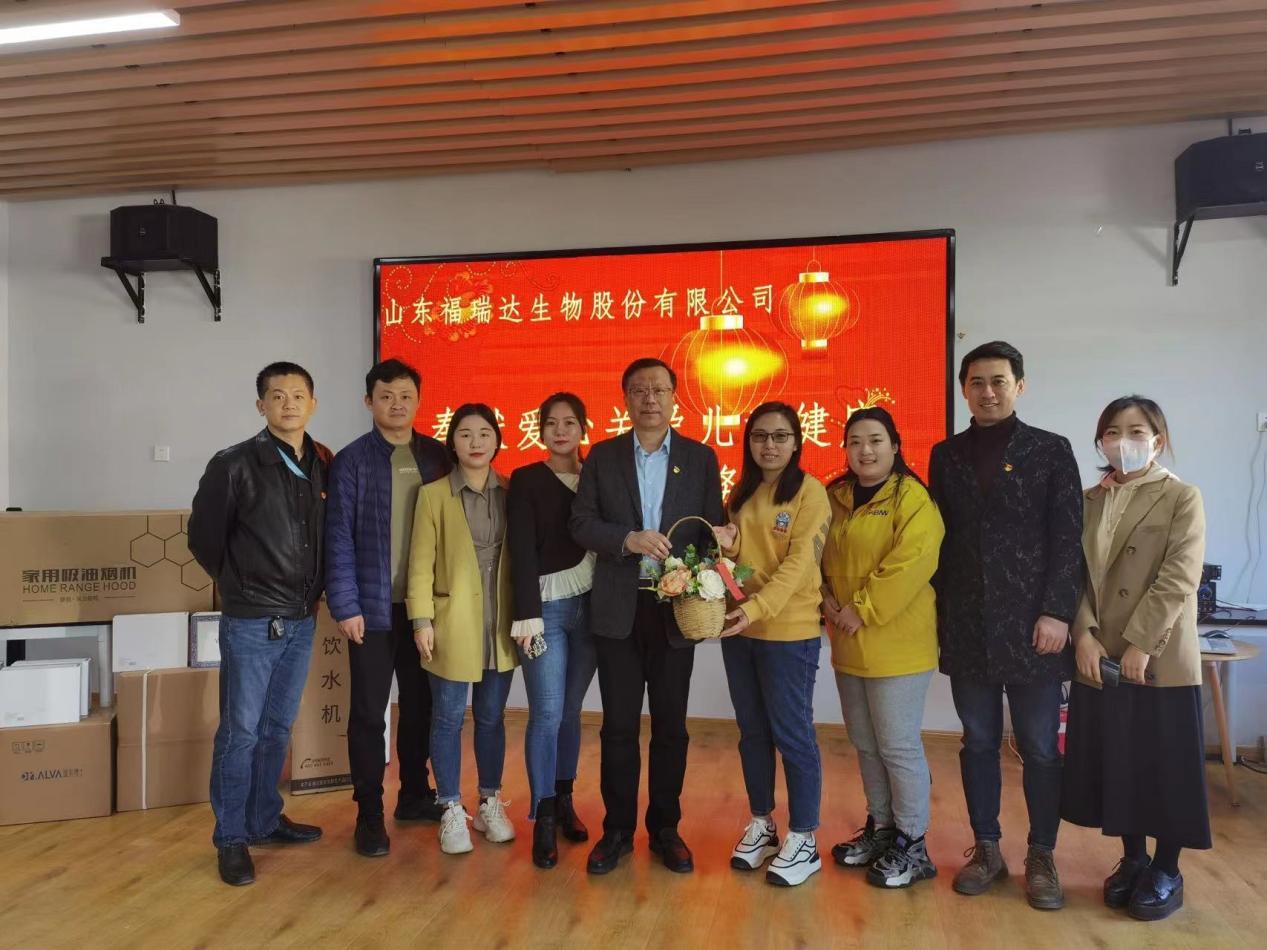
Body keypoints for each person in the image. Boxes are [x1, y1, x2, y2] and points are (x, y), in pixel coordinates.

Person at [929, 340, 1083, 910]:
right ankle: (987, 848)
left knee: (1040, 747)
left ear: (1020, 385)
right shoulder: (946, 454)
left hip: (1035, 626)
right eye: (976, 382)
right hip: (968, 622)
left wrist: (1058, 611)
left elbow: (1068, 537)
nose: (988, 392)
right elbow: (940, 539)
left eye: (998, 381)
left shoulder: (1050, 449)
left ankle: (1042, 855)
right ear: (964, 389)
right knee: (978, 741)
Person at [570, 357, 725, 875]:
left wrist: (717, 551)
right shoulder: (604, 456)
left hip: (675, 609)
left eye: (659, 389)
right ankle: (616, 831)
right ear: (626, 399)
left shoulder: (700, 458)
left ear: (675, 397)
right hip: (619, 608)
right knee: (617, 726)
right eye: (639, 390)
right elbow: (581, 523)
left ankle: (665, 829)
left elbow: (711, 530)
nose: (650, 399)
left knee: (671, 726)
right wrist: (627, 539)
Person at [1061, 396, 1208, 922]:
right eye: (1112, 432)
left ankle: (1167, 869)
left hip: (1159, 657)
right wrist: (1083, 634)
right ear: (1100, 442)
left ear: (1158, 440)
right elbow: (1072, 574)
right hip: (1099, 655)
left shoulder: (1181, 496)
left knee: (1164, 763)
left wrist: (1142, 643)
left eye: (1136, 431)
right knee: (1117, 759)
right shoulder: (1086, 500)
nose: (1123, 440)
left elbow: (1180, 576)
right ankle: (1133, 860)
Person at [189, 361, 331, 887]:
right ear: (261, 405)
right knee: (241, 732)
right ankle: (231, 838)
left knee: (276, 727)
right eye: (277, 395)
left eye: (298, 395)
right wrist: (241, 587)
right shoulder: (233, 464)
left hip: (301, 617)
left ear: (313, 403)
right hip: (251, 620)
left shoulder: (323, 462)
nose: (288, 404)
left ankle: (264, 819)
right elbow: (203, 539)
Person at [324, 359, 451, 858]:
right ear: (369, 401)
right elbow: (338, 536)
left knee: (421, 707)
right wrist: (345, 604)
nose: (396, 405)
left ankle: (415, 794)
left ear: (419, 400)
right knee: (367, 713)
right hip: (371, 610)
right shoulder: (352, 461)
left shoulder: (437, 456)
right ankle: (369, 813)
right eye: (386, 396)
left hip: (424, 611)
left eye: (405, 396)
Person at [822, 407, 945, 889]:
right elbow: (815, 554)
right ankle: (882, 828)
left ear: (895, 446)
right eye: (854, 441)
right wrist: (825, 599)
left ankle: (914, 844)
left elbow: (912, 563)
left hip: (897, 643)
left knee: (897, 745)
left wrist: (862, 608)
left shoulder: (912, 498)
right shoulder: (835, 497)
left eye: (875, 440)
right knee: (866, 743)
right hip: (847, 641)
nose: (865, 450)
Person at [712, 402, 832, 887]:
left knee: (793, 734)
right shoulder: (741, 493)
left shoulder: (810, 492)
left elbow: (800, 565)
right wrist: (727, 551)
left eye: (780, 436)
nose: (769, 445)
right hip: (741, 631)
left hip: (788, 632)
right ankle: (762, 823)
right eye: (760, 436)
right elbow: (741, 559)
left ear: (797, 442)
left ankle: (804, 837)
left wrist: (755, 608)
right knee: (752, 733)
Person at [406, 403, 519, 855]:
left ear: (497, 441)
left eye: (484, 433)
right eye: (466, 433)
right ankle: (450, 807)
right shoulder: (433, 495)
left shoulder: (512, 492)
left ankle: (490, 801)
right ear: (452, 442)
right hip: (451, 622)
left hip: (500, 620)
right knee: (448, 717)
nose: (475, 442)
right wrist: (421, 620)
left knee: (492, 717)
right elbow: (419, 564)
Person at [507, 392, 598, 869]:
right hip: (545, 610)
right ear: (539, 430)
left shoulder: (598, 475)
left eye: (569, 422)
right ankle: (542, 814)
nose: (560, 431)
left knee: (570, 711)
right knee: (545, 712)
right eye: (551, 423)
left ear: (584, 428)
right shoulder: (527, 479)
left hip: (593, 609)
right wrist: (527, 613)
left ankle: (564, 800)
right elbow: (521, 551)